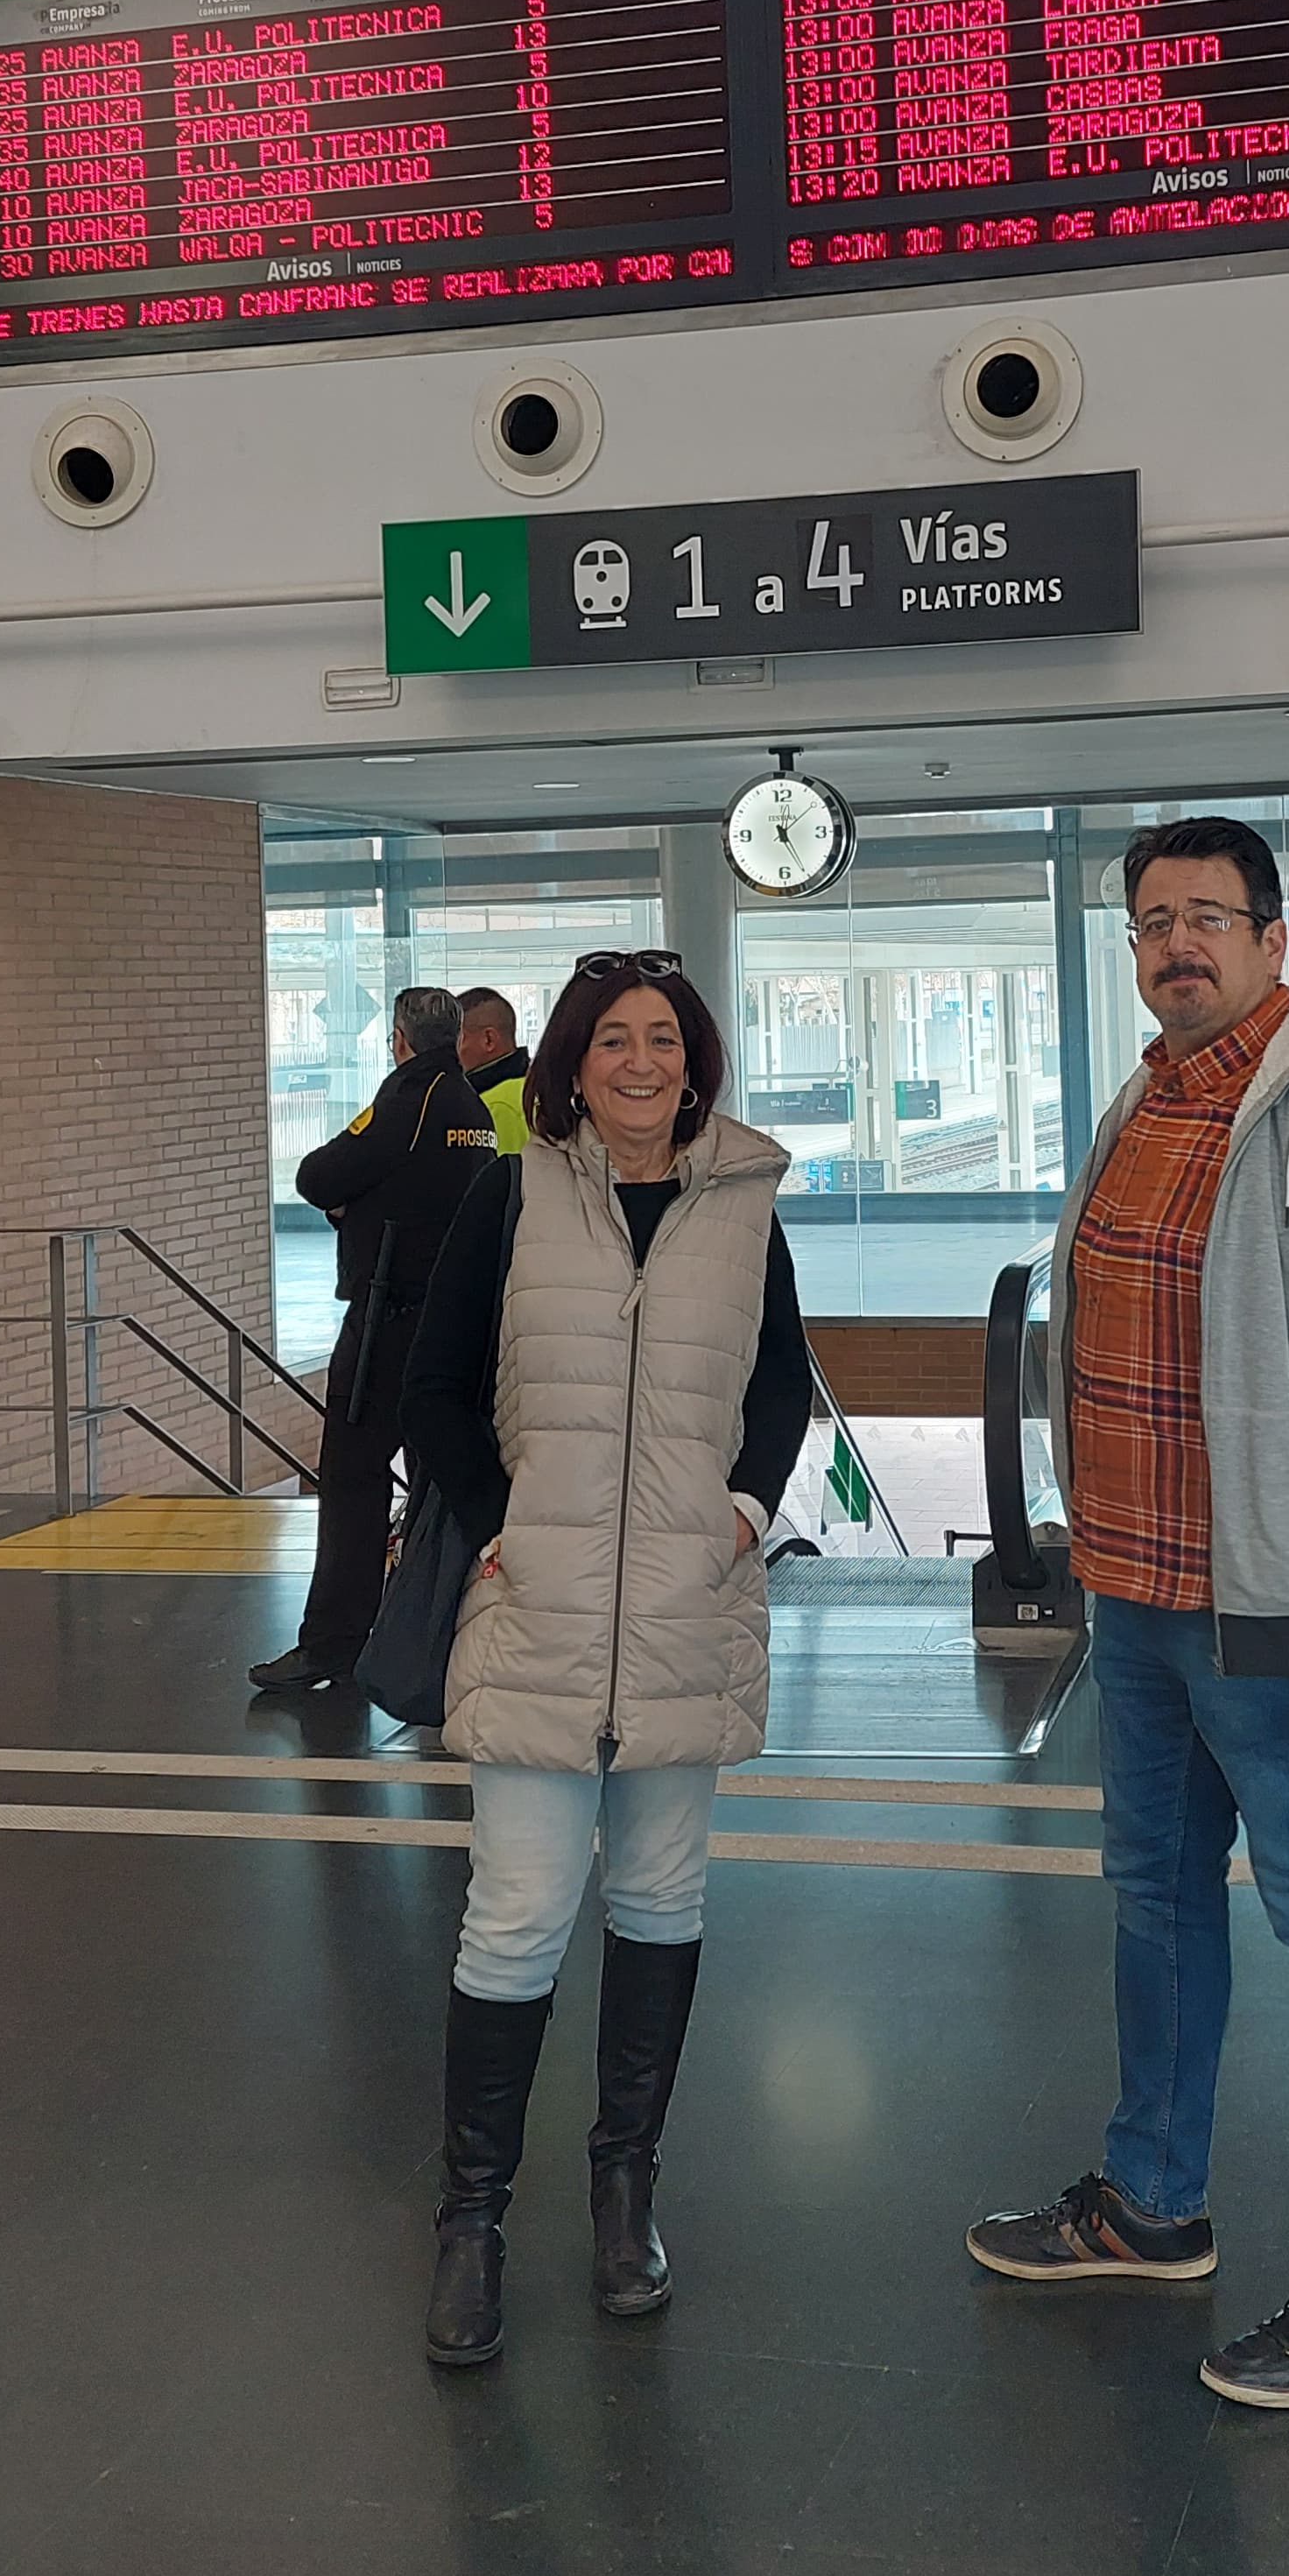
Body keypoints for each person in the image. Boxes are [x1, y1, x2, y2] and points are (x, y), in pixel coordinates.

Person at [967, 815, 1289, 2411]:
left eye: (1204, 915)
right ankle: (1149, 2197)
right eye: (1149, 919)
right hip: (1138, 1591)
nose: (1174, 940)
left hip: (1273, 1609)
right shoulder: (1152, 1090)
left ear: (1268, 933)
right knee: (1155, 1901)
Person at [400, 947, 810, 2370]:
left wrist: (744, 1509)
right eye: (612, 1041)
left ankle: (624, 2188)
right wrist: (499, 1525)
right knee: (513, 1914)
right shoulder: (505, 1191)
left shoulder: (745, 1201)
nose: (640, 1062)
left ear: (694, 1058)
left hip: (686, 1605)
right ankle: (471, 2220)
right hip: (541, 1604)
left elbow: (777, 1380)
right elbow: (432, 1384)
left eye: (663, 1039)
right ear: (568, 1064)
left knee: (656, 1894)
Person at [250, 985, 496, 1699]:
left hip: (388, 1323)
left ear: (398, 1038)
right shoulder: (471, 1109)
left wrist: (350, 1204)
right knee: (436, 1486)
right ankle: (433, 1637)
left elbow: (318, 1175)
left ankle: (332, 1643)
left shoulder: (409, 1098)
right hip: (453, 1325)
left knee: (353, 1482)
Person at [455, 985, 532, 1152]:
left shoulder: (494, 1107)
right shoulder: (530, 1087)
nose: (450, 1051)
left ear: (489, 1040)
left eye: (458, 1040)